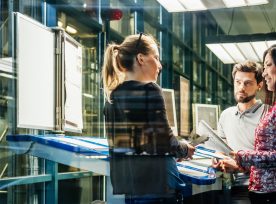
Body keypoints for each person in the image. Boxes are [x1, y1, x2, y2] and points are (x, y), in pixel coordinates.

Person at [102, 33, 195, 203]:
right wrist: (184, 148)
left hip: (132, 190)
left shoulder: (112, 98)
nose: (160, 65)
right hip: (157, 187)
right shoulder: (150, 90)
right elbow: (165, 143)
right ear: (141, 59)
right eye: (156, 58)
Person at [217, 45, 276, 204]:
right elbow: (221, 149)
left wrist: (240, 161)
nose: (241, 88)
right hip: (228, 185)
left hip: (259, 187)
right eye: (238, 82)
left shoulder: (268, 114)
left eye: (248, 83)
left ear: (259, 85)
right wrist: (219, 159)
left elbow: (270, 158)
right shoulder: (225, 115)